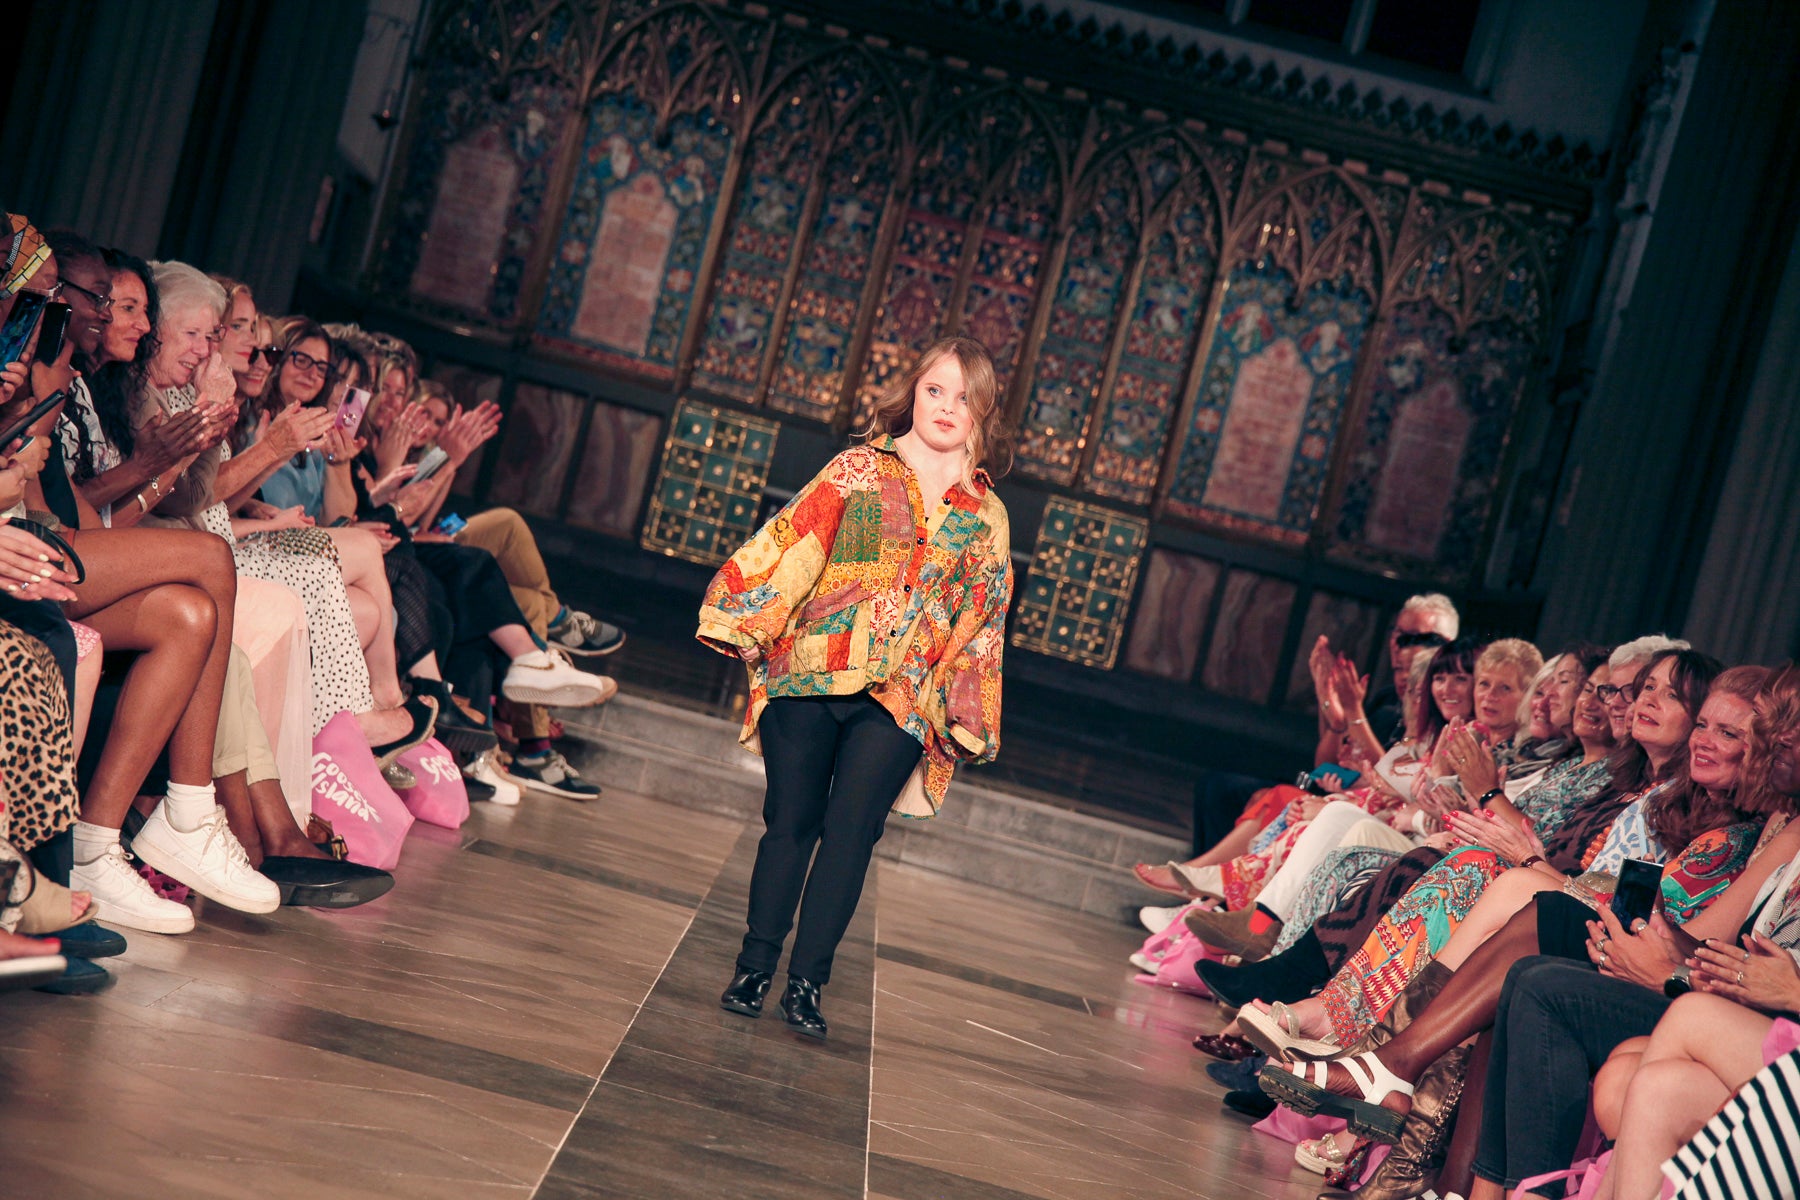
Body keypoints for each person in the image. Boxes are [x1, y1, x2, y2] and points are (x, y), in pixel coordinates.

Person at [697, 336, 1013, 1039]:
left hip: (902, 694)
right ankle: (754, 967)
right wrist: (743, 614)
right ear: (914, 393)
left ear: (983, 413)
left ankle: (807, 984)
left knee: (851, 835)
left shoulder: (986, 516)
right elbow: (793, 543)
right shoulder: (859, 468)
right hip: (812, 670)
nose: (947, 407)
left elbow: (981, 621)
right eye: (936, 390)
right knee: (791, 821)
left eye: (964, 398)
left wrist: (967, 708)